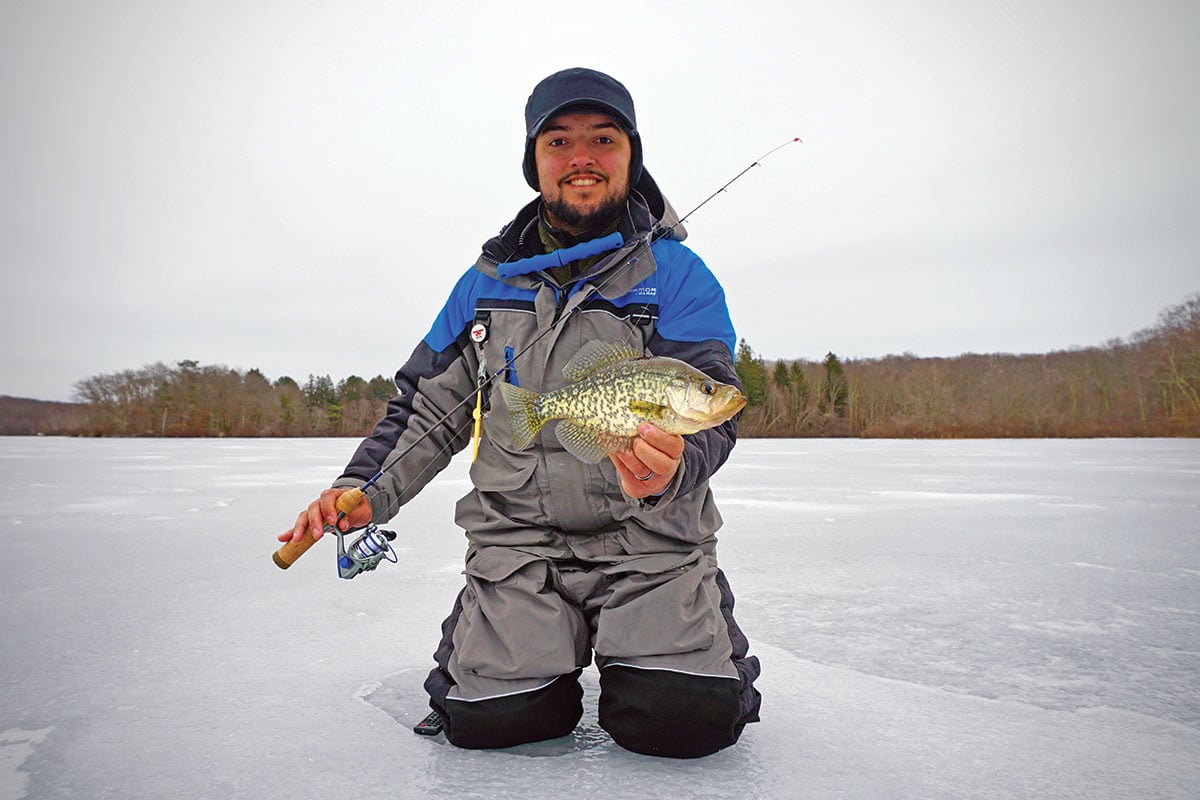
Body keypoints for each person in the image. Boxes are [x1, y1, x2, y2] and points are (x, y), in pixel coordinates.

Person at [279, 67, 761, 758]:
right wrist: (367, 491)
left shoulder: (680, 274)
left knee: (684, 722)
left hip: (651, 544)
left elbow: (713, 402)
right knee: (493, 722)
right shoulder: (482, 285)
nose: (582, 157)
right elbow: (427, 404)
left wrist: (677, 468)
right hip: (519, 547)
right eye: (559, 141)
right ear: (534, 162)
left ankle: (706, 645)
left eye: (603, 138)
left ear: (632, 154)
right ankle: (494, 640)